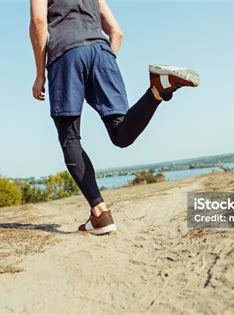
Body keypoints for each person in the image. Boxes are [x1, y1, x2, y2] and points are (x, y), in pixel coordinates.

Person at [30, 0, 199, 235]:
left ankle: (100, 213)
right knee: (121, 134)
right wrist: (103, 64)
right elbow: (117, 33)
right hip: (102, 53)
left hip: (65, 55)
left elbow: (39, 22)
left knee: (69, 138)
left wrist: (40, 74)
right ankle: (157, 89)